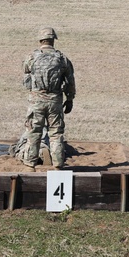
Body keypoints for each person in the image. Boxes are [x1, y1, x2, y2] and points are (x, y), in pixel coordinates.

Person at [21, 27, 76, 169]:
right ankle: (58, 164)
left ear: (40, 40)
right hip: (55, 102)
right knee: (56, 134)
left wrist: (34, 92)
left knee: (33, 133)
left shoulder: (31, 57)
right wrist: (69, 99)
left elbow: (26, 79)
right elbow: (70, 82)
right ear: (53, 40)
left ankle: (30, 163)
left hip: (36, 101)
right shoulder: (62, 59)